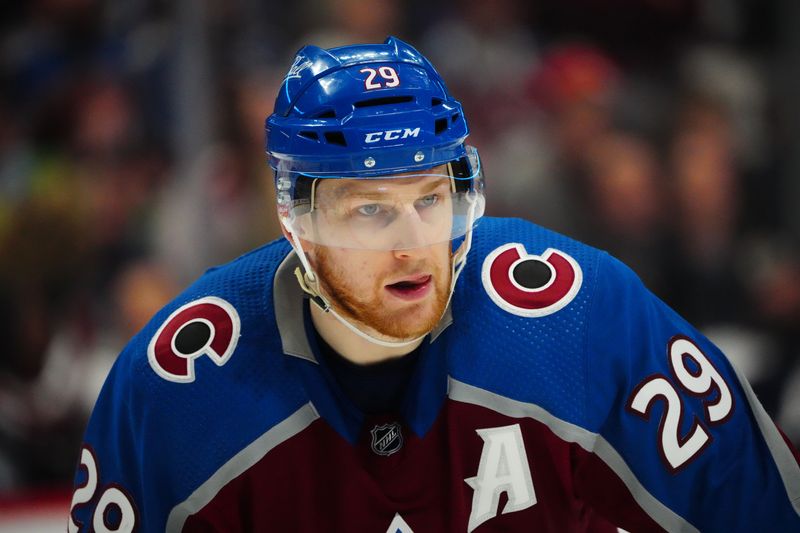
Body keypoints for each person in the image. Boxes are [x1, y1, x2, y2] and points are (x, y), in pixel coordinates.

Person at [69, 37, 800, 532]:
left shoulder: (582, 319)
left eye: (431, 198)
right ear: (294, 219)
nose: (413, 243)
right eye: (369, 210)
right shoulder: (174, 388)